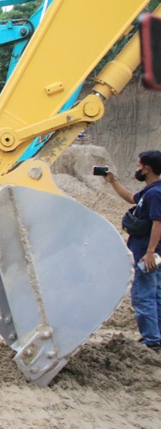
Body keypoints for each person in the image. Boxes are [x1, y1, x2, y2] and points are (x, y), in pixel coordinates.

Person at [103, 150, 161, 351]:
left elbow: (158, 223)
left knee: (143, 295)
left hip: (148, 253)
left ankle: (151, 340)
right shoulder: (151, 192)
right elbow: (131, 198)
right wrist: (112, 181)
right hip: (149, 251)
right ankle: (156, 337)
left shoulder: (155, 194)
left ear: (147, 168)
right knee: (155, 295)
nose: (137, 169)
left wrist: (151, 251)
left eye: (138, 166)